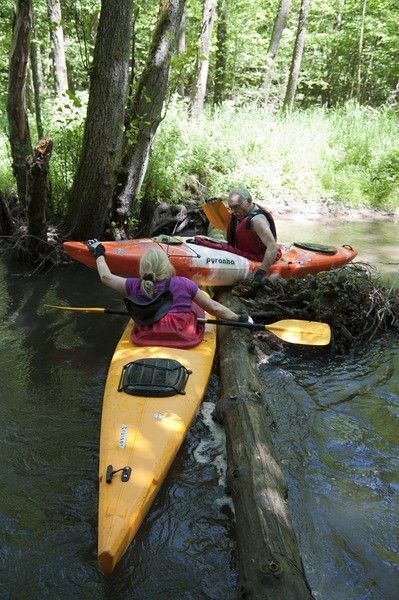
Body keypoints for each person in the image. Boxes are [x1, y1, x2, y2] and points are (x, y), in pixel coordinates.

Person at [86, 240, 252, 348]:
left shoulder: (134, 285)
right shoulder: (184, 283)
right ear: (167, 265)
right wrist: (240, 319)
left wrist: (99, 254)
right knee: (196, 307)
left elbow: (106, 278)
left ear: (143, 267)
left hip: (147, 335)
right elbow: (215, 308)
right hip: (183, 335)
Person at [226, 189, 281, 287]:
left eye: (236, 207)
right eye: (231, 208)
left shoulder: (257, 220)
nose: (233, 211)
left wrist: (261, 273)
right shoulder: (239, 213)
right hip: (243, 252)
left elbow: (272, 246)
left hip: (259, 258)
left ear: (248, 201)